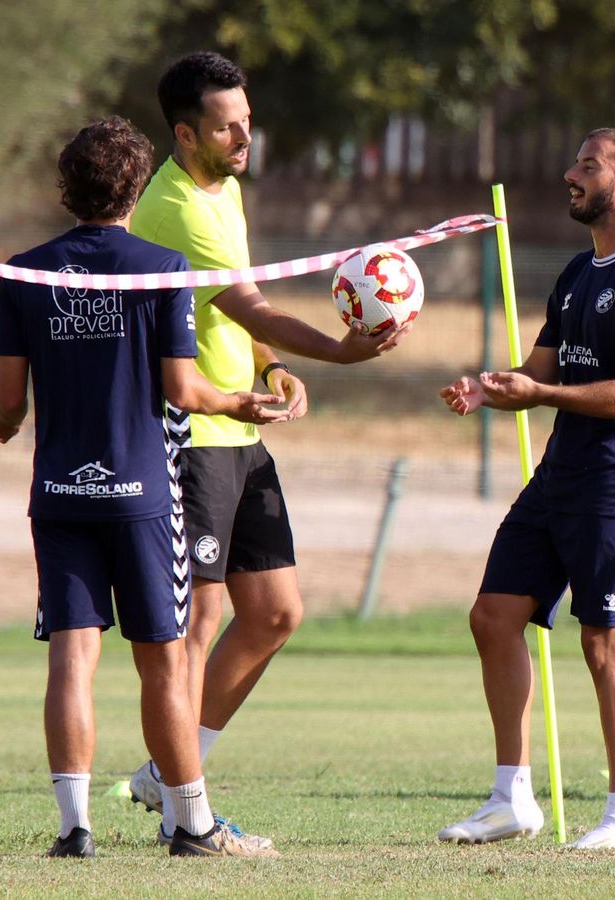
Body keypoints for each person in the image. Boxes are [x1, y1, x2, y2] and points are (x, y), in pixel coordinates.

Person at [0, 116, 287, 858]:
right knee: (164, 660)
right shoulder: (162, 268)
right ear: (136, 188)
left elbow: (8, 400)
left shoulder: (24, 272)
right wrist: (238, 401)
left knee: (72, 656)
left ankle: (74, 828)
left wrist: (4, 424)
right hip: (142, 497)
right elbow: (183, 389)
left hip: (60, 495)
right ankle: (192, 824)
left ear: (65, 188)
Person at [121, 51, 409, 840]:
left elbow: (238, 316)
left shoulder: (228, 190)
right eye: (227, 126)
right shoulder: (175, 206)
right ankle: (186, 817)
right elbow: (253, 306)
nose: (245, 136)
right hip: (192, 434)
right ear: (186, 134)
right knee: (197, 625)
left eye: (248, 120)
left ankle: (167, 774)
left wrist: (274, 366)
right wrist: (340, 352)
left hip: (241, 430)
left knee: (276, 613)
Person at [436, 128, 615, 850]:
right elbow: (538, 372)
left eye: (588, 165)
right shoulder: (578, 272)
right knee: (492, 616)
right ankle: (510, 799)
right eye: (575, 161)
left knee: (605, 644)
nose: (569, 174)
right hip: (558, 480)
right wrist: (489, 389)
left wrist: (541, 393)